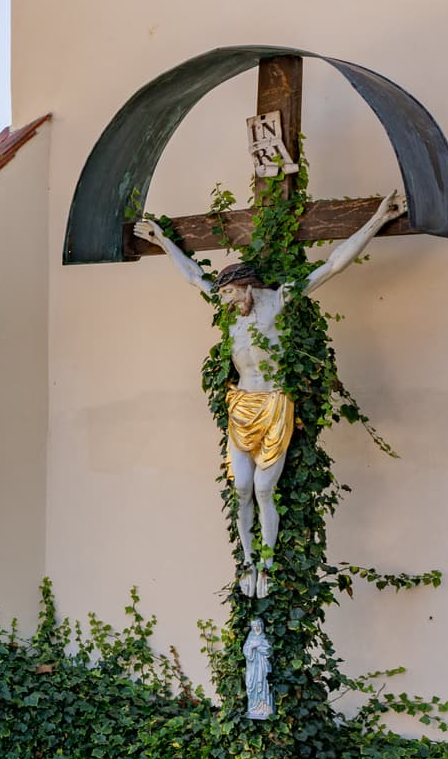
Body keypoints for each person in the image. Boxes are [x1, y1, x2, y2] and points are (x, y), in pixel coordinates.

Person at [133, 188, 406, 596]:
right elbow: (193, 273)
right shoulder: (231, 310)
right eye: (222, 295)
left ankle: (265, 564)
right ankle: (245, 561)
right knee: (240, 488)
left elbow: (332, 266)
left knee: (263, 489)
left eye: (227, 294)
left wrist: (379, 219)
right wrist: (161, 239)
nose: (223, 302)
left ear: (244, 287)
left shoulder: (279, 300)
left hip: (276, 403)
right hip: (242, 403)